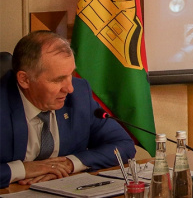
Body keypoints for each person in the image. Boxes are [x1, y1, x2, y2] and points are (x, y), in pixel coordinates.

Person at [0, 31, 135, 188]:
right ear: (24, 79)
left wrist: (70, 163)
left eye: (70, 74)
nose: (69, 88)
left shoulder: (79, 94)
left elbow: (123, 144)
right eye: (58, 80)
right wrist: (23, 169)